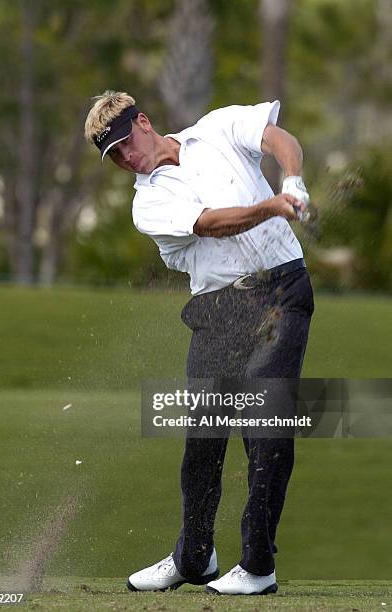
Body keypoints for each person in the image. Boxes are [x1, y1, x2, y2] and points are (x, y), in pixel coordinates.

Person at [84, 90, 314, 596]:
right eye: (114, 156)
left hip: (282, 291)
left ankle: (257, 566)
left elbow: (276, 138)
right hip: (218, 310)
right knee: (203, 443)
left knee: (267, 430)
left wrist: (292, 179)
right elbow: (211, 224)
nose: (126, 158)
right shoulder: (148, 203)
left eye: (125, 143)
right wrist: (274, 204)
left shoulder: (216, 127)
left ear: (143, 122)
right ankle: (193, 559)